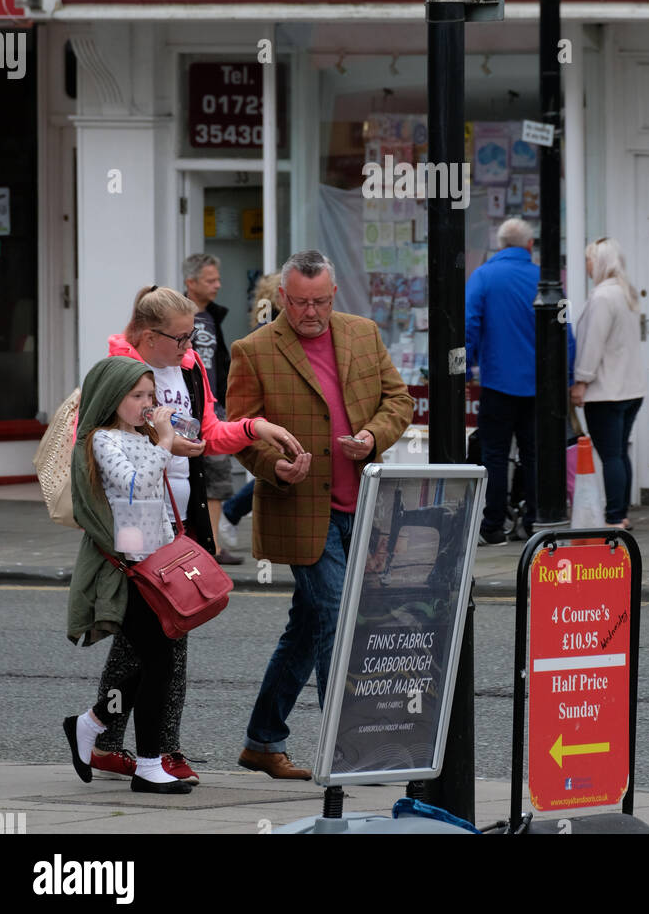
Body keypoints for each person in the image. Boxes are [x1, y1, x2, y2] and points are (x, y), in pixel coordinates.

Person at [89, 285, 303, 784]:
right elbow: (100, 444)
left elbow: (207, 433)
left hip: (182, 519)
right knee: (167, 629)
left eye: (192, 338)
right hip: (137, 521)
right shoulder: (118, 370)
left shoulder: (188, 368)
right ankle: (159, 749)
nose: (189, 349)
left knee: (147, 635)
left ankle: (101, 734)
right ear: (146, 335)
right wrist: (164, 442)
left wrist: (253, 429)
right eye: (180, 339)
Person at [226, 249, 413, 779]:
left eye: (322, 302)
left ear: (335, 295)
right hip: (303, 511)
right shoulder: (254, 350)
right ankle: (350, 750)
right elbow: (239, 430)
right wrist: (273, 465)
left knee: (307, 629)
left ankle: (262, 741)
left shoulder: (362, 333)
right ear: (282, 297)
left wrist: (373, 436)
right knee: (338, 618)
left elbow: (398, 401)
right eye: (302, 302)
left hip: (366, 506)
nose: (312, 312)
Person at [64, 356, 193, 795]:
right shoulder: (103, 440)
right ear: (111, 398)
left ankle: (92, 721)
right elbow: (135, 484)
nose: (146, 404)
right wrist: (166, 441)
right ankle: (149, 764)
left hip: (156, 560)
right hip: (127, 566)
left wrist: (166, 439)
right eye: (136, 396)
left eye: (150, 396)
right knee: (156, 659)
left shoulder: (143, 436)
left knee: (153, 658)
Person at [465, 217, 576, 544]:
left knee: (494, 454)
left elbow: (469, 324)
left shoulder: (484, 277)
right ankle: (535, 521)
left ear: (501, 245)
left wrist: (467, 368)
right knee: (535, 454)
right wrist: (566, 379)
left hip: (498, 383)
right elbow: (565, 334)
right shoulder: (547, 280)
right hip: (540, 388)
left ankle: (493, 526)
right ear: (529, 245)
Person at [569, 237, 646, 530]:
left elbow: (592, 344)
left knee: (611, 455)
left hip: (606, 391)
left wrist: (581, 381)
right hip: (631, 388)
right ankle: (621, 512)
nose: (587, 265)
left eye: (589, 259)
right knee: (619, 453)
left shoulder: (602, 297)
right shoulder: (626, 294)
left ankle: (615, 516)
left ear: (600, 262)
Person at [217, 272, 282, 552]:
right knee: (274, 473)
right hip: (269, 411)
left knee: (277, 473)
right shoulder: (267, 330)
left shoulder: (269, 324)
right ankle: (230, 512)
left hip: (270, 410)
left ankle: (231, 513)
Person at [183, 252, 241, 565]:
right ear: (190, 282)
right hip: (185, 409)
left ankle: (214, 546)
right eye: (210, 280)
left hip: (214, 408)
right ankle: (191, 545)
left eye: (218, 279)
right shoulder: (176, 315)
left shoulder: (214, 317)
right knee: (186, 476)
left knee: (218, 478)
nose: (218, 285)